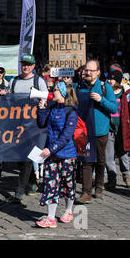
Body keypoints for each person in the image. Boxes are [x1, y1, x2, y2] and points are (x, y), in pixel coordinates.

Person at [35, 81, 79, 228]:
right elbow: (42, 124)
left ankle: (68, 210)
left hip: (66, 155)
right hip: (52, 155)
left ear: (62, 93)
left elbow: (66, 136)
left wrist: (50, 149)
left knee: (68, 184)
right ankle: (51, 218)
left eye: (54, 90)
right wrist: (41, 109)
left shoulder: (71, 112)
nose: (51, 92)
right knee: (50, 185)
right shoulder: (52, 107)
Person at [74, 60, 118, 203]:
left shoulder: (105, 87)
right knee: (86, 161)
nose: (87, 73)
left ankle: (99, 186)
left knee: (100, 160)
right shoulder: (78, 86)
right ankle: (86, 192)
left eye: (91, 70)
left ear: (98, 72)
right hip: (83, 131)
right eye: (86, 70)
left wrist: (101, 100)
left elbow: (113, 108)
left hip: (100, 131)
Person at [9, 53, 48, 204]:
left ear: (33, 66)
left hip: (35, 127)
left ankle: (19, 191)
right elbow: (8, 102)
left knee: (27, 158)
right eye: (23, 64)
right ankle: (32, 181)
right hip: (18, 126)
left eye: (28, 64)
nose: (25, 66)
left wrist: (42, 104)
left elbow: (46, 100)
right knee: (22, 158)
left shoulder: (39, 81)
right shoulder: (14, 81)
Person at [105, 70, 130, 189]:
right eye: (108, 79)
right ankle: (112, 178)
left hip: (122, 129)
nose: (109, 81)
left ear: (117, 81)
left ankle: (126, 175)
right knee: (109, 156)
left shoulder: (126, 93)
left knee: (123, 154)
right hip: (109, 128)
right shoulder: (106, 92)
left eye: (111, 79)